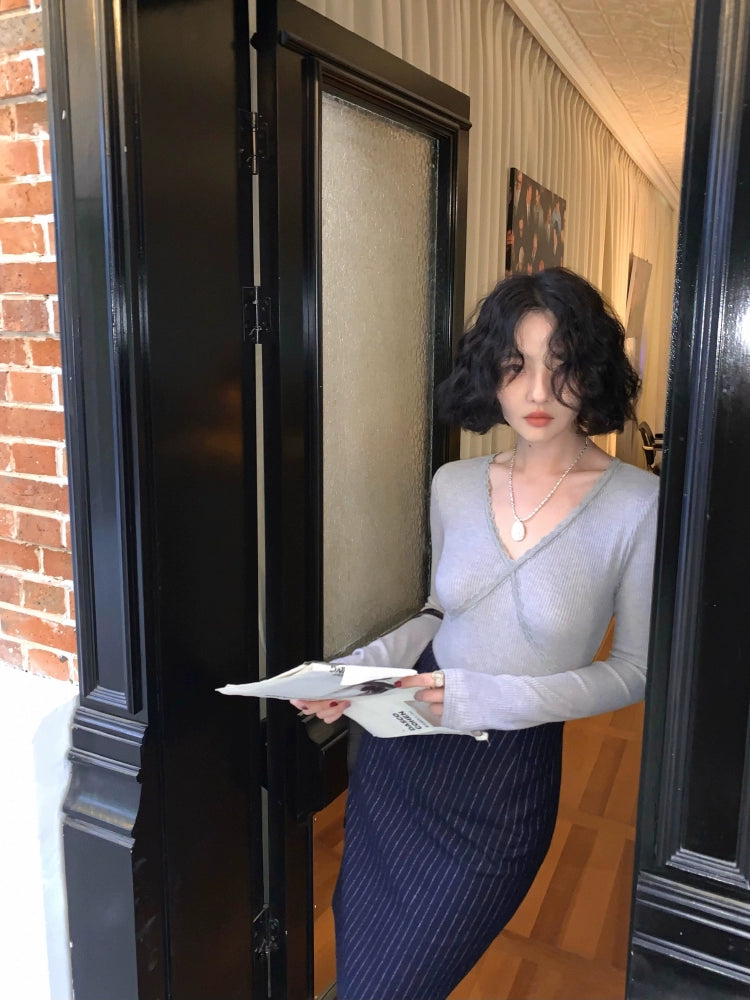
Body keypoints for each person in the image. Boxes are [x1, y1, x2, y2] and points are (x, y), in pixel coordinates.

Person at [292, 267, 658, 1000]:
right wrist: (357, 671)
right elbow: (438, 612)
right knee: (362, 965)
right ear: (490, 371)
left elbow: (635, 669)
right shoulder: (454, 483)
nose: (538, 392)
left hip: (502, 785)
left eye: (561, 365)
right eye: (516, 366)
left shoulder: (638, 504)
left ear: (592, 370)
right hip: (400, 758)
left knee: (400, 982)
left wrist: (486, 699)